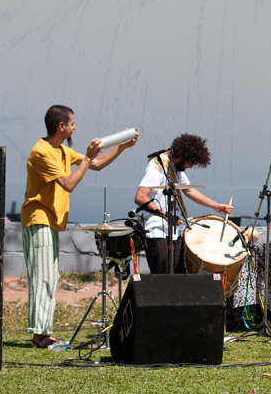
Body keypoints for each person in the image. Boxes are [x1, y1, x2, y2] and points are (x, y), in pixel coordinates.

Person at [22, 105, 138, 348]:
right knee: (42, 278)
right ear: (60, 126)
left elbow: (94, 165)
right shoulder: (42, 152)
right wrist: (86, 156)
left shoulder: (61, 150)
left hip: (50, 221)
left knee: (49, 278)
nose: (75, 127)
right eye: (72, 123)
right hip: (38, 219)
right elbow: (69, 184)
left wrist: (121, 147)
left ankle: (42, 333)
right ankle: (39, 336)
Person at [134, 133, 233, 274]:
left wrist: (216, 206)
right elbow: (140, 197)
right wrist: (165, 215)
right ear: (182, 155)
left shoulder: (174, 167)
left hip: (174, 231)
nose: (191, 166)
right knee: (162, 278)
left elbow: (189, 191)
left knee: (179, 277)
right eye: (191, 162)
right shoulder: (157, 165)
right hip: (157, 230)